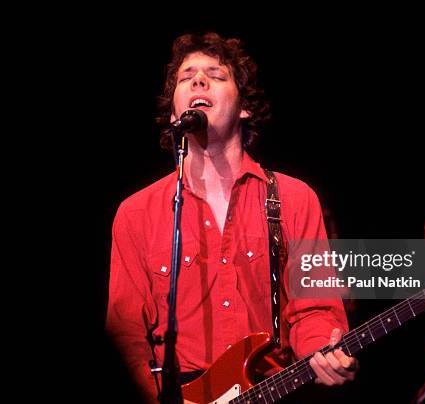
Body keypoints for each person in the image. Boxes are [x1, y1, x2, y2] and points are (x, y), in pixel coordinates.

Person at [106, 32, 358, 403]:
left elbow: (315, 310)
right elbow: (126, 337)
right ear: (174, 114)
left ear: (245, 107)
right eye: (186, 76)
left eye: (215, 74)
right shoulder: (136, 213)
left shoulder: (294, 199)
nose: (198, 80)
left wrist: (325, 352)